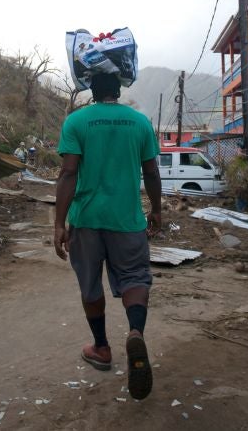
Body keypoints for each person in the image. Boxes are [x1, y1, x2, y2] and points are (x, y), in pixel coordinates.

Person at [54, 72, 162, 401]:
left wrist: (59, 222)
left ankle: (101, 348)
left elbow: (68, 172)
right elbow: (151, 171)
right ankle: (134, 333)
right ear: (118, 90)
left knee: (90, 284)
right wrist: (156, 210)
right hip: (127, 220)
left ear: (92, 90)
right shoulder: (140, 123)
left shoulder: (77, 121)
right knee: (134, 279)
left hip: (87, 220)